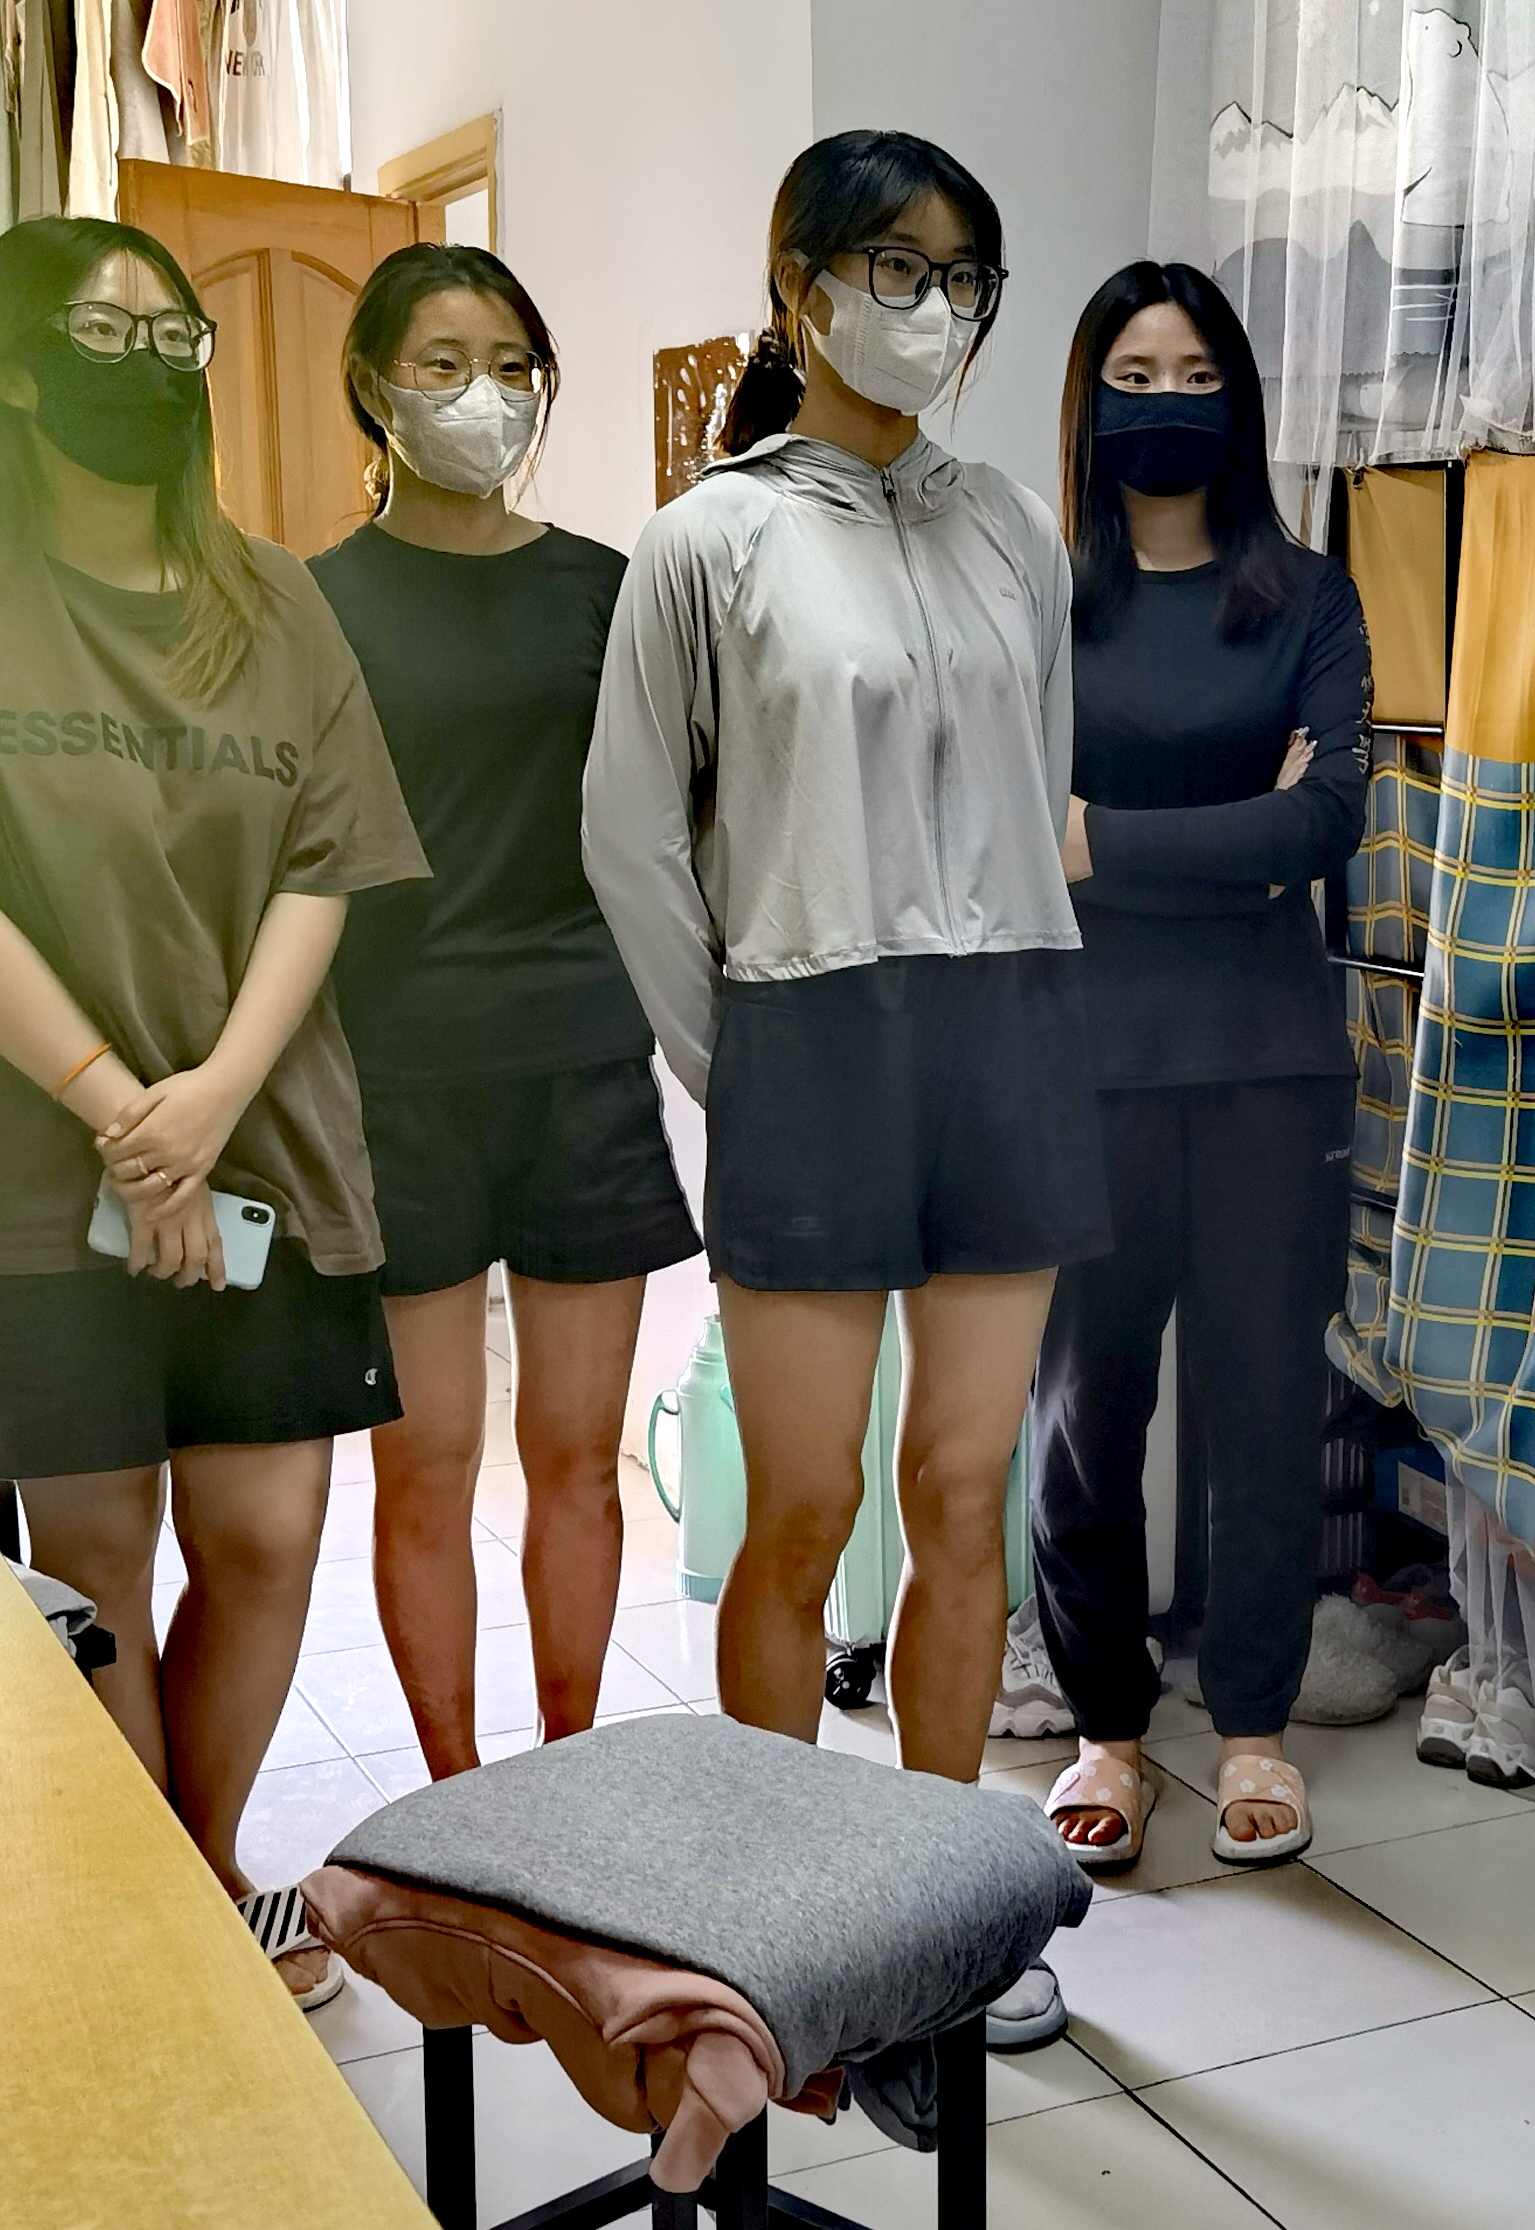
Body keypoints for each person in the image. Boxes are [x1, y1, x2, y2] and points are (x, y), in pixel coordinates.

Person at [583, 131, 1105, 2050]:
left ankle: (949, 1922)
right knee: (800, 1510)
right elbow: (631, 838)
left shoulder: (1011, 533)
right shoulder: (707, 541)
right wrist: (735, 1060)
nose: (932, 308)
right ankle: (782, 1924)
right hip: (805, 1032)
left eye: (963, 276)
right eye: (896, 266)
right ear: (799, 286)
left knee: (964, 1490)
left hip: (1009, 1031)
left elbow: (1041, 782)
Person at [0, 218, 429, 2004]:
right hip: (40, 1170)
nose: (152, 370)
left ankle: (199, 1865)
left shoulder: (273, 596)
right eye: (103, 337)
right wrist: (126, 1115)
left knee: (262, 1540)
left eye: (175, 339)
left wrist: (210, 1105)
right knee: (96, 1554)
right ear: (19, 371)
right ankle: (152, 1927)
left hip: (269, 1147)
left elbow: (327, 863)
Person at [311, 244, 699, 1781]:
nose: (484, 394)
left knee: (578, 1460)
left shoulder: (605, 589)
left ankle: (571, 1779)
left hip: (581, 1059)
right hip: (391, 1072)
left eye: (512, 365)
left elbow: (672, 821)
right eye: (444, 362)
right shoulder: (312, 603)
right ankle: (457, 1797)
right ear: (374, 382)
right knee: (426, 1468)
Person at [1030, 262, 1368, 1872]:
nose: (1167, 403)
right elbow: (1012, 832)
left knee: (1261, 1404)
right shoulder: (1038, 604)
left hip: (1267, 1068)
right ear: (1089, 402)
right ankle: (1105, 1723)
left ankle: (1251, 1732)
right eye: (1135, 377)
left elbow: (1325, 824)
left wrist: (1099, 840)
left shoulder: (1308, 595)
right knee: (1086, 1409)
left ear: (1238, 400)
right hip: (1081, 1062)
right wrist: (1236, 840)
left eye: (1195, 376)